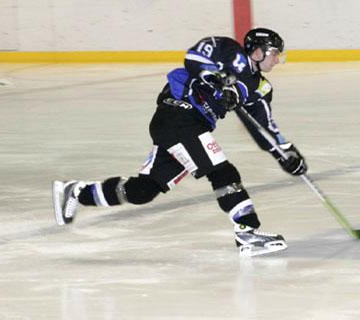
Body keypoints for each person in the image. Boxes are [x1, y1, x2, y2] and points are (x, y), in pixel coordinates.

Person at [53, 28, 307, 257]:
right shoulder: (227, 49)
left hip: (188, 127)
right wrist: (214, 78)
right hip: (178, 116)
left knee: (144, 191)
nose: (277, 59)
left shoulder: (261, 86)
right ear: (259, 51)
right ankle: (247, 232)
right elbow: (193, 58)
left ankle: (76, 192)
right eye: (274, 53)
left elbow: (263, 127)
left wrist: (286, 154)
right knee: (222, 171)